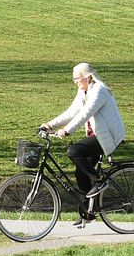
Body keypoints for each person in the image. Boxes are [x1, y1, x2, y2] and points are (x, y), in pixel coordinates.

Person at [40, 62, 125, 222]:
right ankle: (88, 212)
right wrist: (50, 125)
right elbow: (72, 112)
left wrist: (67, 130)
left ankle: (99, 182)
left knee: (74, 151)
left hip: (109, 137)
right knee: (80, 172)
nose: (75, 82)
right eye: (74, 79)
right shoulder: (83, 91)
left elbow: (85, 114)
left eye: (77, 78)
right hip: (99, 135)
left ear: (87, 77)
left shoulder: (99, 91)